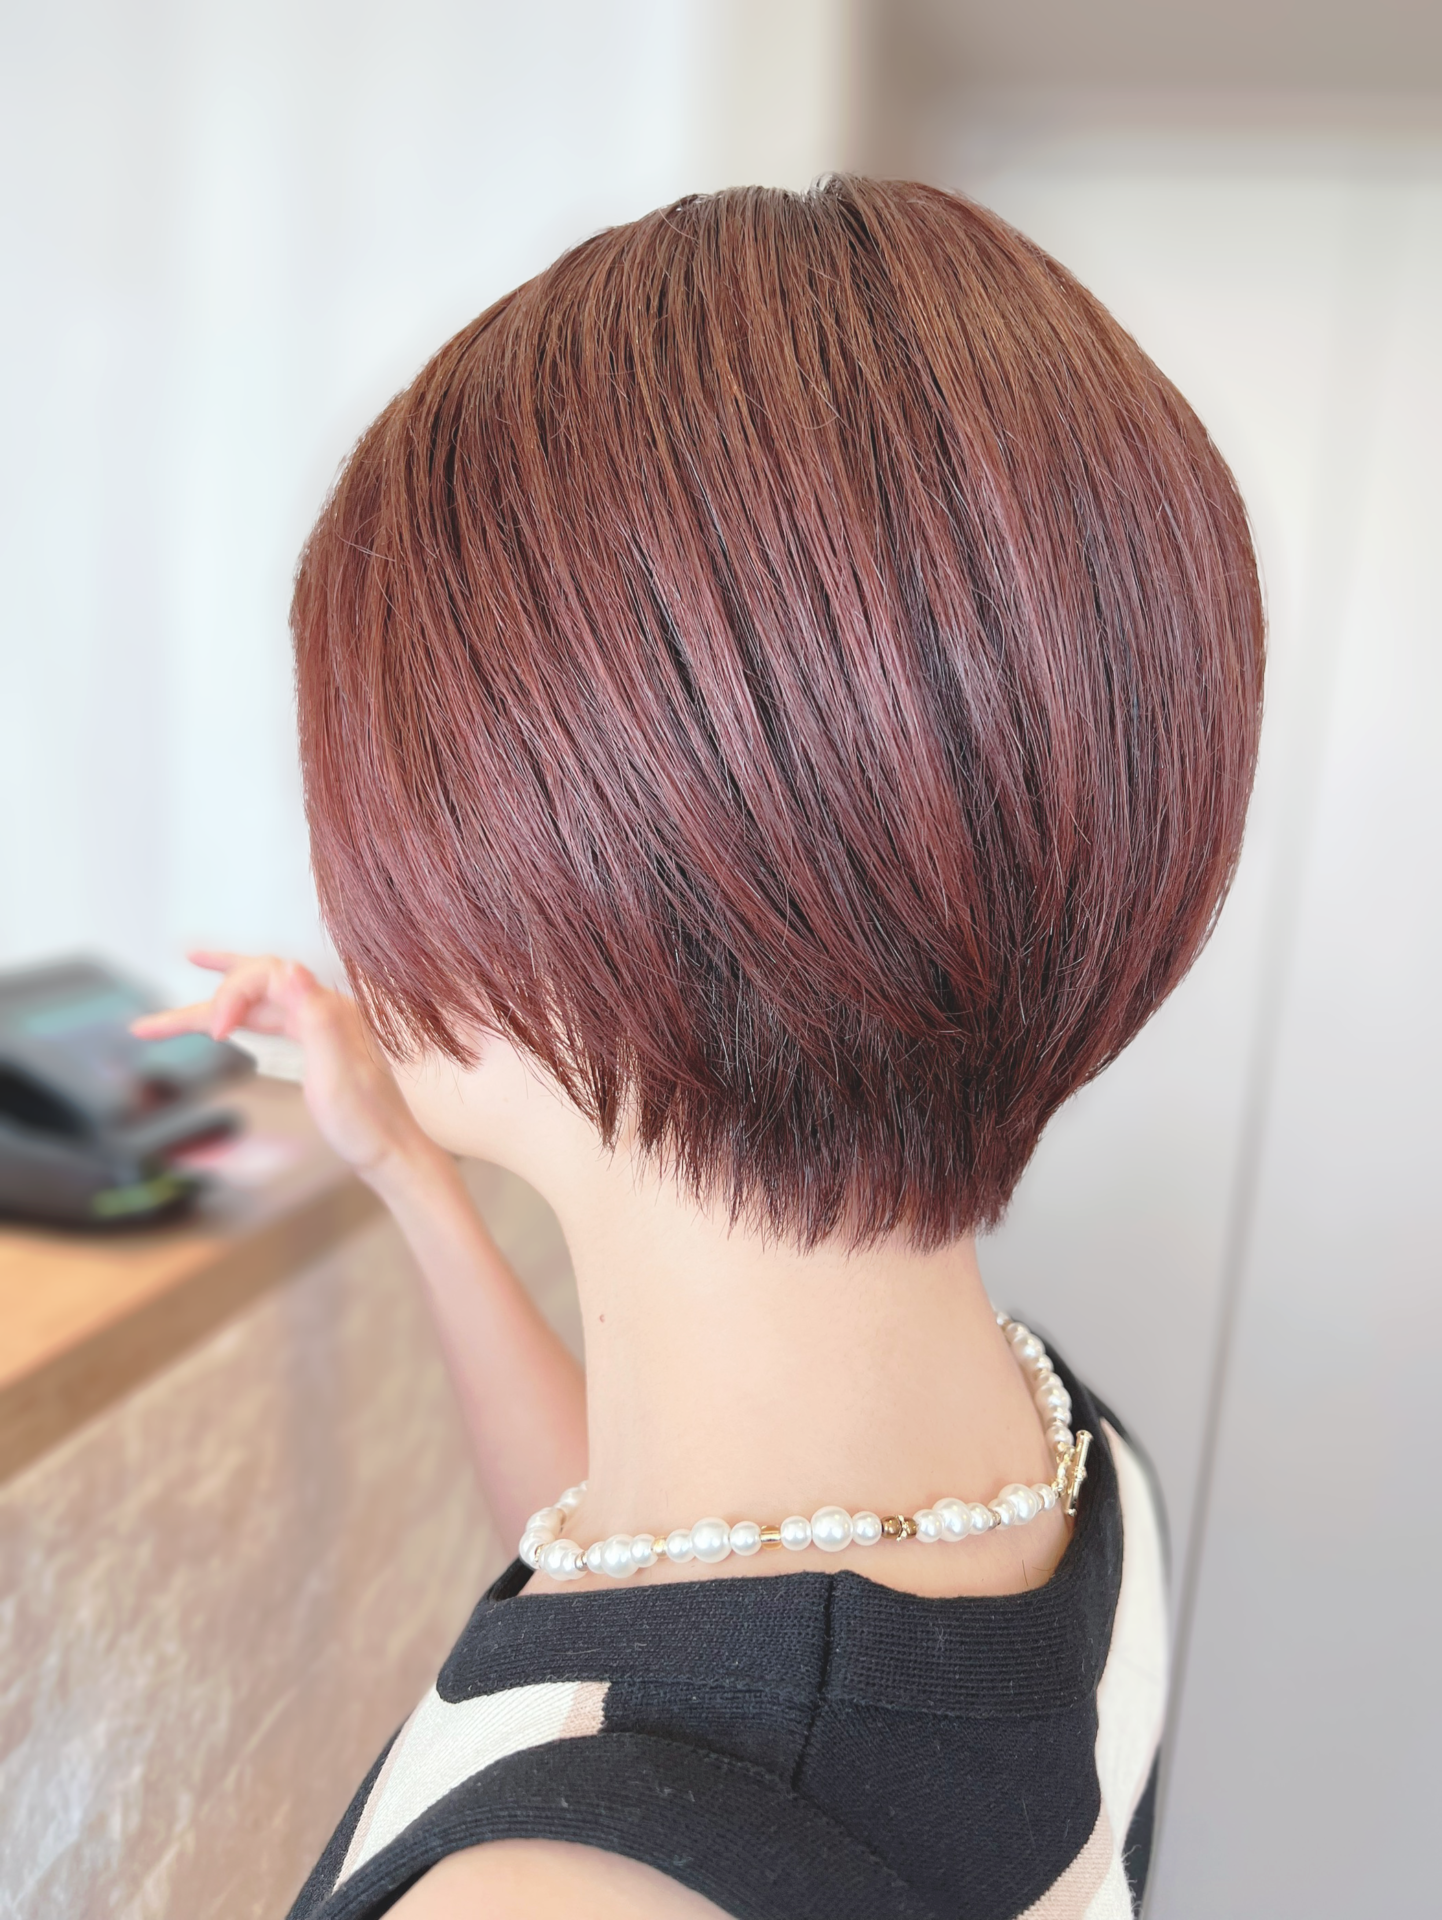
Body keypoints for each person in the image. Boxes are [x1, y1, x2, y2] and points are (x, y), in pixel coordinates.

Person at [136, 177, 1263, 1919]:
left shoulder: (557, 1895)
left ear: (591, 853)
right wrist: (410, 1170)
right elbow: (653, 1578)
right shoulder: (1056, 1460)